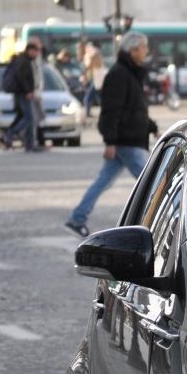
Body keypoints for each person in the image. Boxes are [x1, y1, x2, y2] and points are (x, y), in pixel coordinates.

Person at [66, 32, 158, 236]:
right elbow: (111, 110)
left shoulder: (130, 72)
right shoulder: (119, 74)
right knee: (153, 183)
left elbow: (135, 109)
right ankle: (159, 224)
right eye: (143, 48)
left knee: (103, 182)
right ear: (132, 50)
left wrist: (153, 127)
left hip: (127, 139)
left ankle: (77, 218)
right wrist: (110, 141)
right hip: (126, 141)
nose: (145, 52)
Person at [0, 42, 41, 151]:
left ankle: (29, 144)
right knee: (30, 118)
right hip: (23, 93)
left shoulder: (25, 60)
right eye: (36, 51)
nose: (37, 54)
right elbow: (22, 77)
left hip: (23, 93)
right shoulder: (23, 61)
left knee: (26, 117)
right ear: (30, 51)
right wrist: (28, 91)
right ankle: (11, 134)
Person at [83, 44, 106, 120]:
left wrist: (88, 56)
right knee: (99, 99)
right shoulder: (99, 60)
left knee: (88, 98)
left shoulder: (95, 59)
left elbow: (88, 65)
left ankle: (87, 112)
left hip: (97, 83)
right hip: (98, 83)